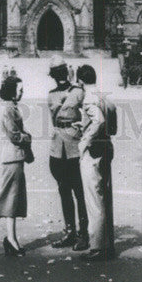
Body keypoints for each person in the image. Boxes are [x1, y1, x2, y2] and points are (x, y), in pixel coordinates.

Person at [47, 59, 89, 250]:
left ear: (67, 73)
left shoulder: (79, 92)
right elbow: (54, 121)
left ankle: (84, 234)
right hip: (57, 147)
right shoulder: (51, 95)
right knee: (64, 190)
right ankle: (70, 231)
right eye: (56, 74)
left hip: (74, 145)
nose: (59, 77)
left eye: (61, 72)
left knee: (79, 191)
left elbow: (87, 117)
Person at [75, 64, 115, 261]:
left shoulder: (88, 97)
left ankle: (98, 247)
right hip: (106, 145)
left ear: (80, 81)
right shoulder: (102, 94)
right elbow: (110, 115)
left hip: (94, 151)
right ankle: (108, 243)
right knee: (105, 196)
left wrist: (85, 139)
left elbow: (98, 120)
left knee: (94, 199)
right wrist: (85, 125)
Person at [0, 75, 31, 256]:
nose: (22, 92)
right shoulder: (8, 109)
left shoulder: (10, 107)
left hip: (14, 157)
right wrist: (28, 137)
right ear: (12, 91)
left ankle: (11, 238)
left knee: (14, 199)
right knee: (12, 199)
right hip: (12, 157)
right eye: (19, 90)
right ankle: (11, 239)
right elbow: (15, 135)